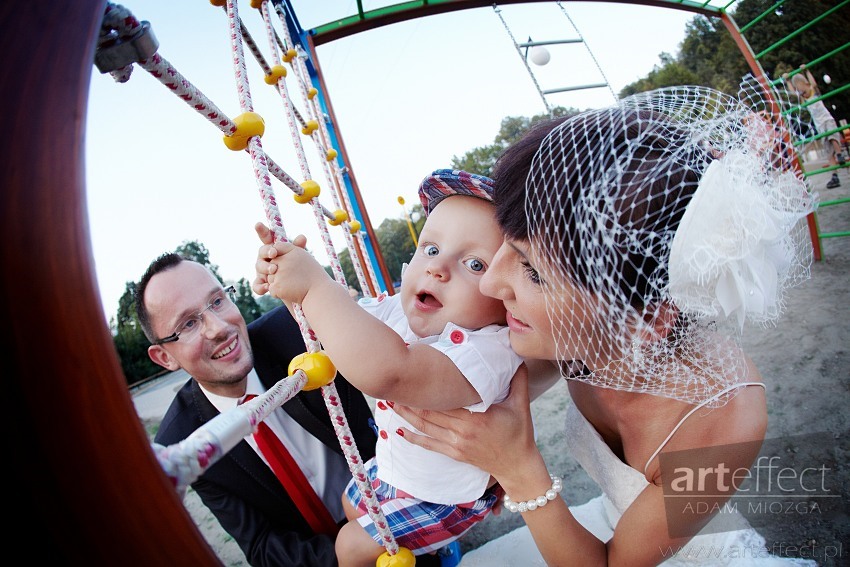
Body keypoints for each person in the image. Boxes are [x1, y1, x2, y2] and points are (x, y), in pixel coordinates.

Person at [387, 83, 818, 565]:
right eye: (505, 243)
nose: (490, 286)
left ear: (644, 319)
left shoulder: (727, 421)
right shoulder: (571, 331)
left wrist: (518, 469)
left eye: (532, 271)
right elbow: (431, 370)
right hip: (603, 521)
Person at [253, 170, 527, 567]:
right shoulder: (406, 307)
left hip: (448, 496)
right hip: (398, 469)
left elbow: (390, 372)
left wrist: (314, 285)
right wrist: (289, 279)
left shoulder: (490, 350)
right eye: (431, 249)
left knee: (350, 546)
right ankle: (427, 549)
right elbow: (340, 324)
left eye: (474, 264)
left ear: (508, 296)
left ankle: (435, 546)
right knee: (352, 504)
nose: (438, 268)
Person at [136, 253, 378, 567]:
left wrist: (322, 291)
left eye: (218, 301)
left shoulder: (299, 329)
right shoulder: (183, 442)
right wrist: (344, 554)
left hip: (389, 508)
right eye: (189, 324)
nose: (219, 327)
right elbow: (262, 544)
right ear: (164, 358)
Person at [785, 64, 846, 189]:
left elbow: (813, 82)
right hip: (819, 126)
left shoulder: (814, 91)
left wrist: (806, 70)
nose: (799, 89)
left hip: (827, 120)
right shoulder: (803, 98)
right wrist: (787, 81)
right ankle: (834, 176)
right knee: (829, 152)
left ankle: (840, 154)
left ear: (806, 84)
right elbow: (793, 93)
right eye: (797, 87)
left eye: (800, 86)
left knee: (833, 138)